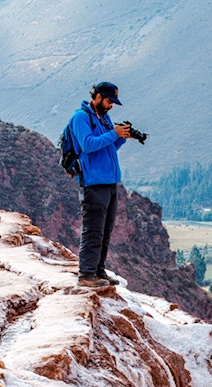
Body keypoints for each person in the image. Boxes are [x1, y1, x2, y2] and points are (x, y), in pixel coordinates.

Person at [69, 81, 132, 287]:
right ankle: (86, 275)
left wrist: (121, 137)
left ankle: (98, 271)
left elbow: (108, 148)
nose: (111, 105)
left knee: (105, 231)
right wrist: (114, 133)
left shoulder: (104, 117)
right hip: (93, 183)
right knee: (93, 230)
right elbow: (87, 145)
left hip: (110, 181)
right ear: (97, 96)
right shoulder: (81, 117)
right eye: (108, 100)